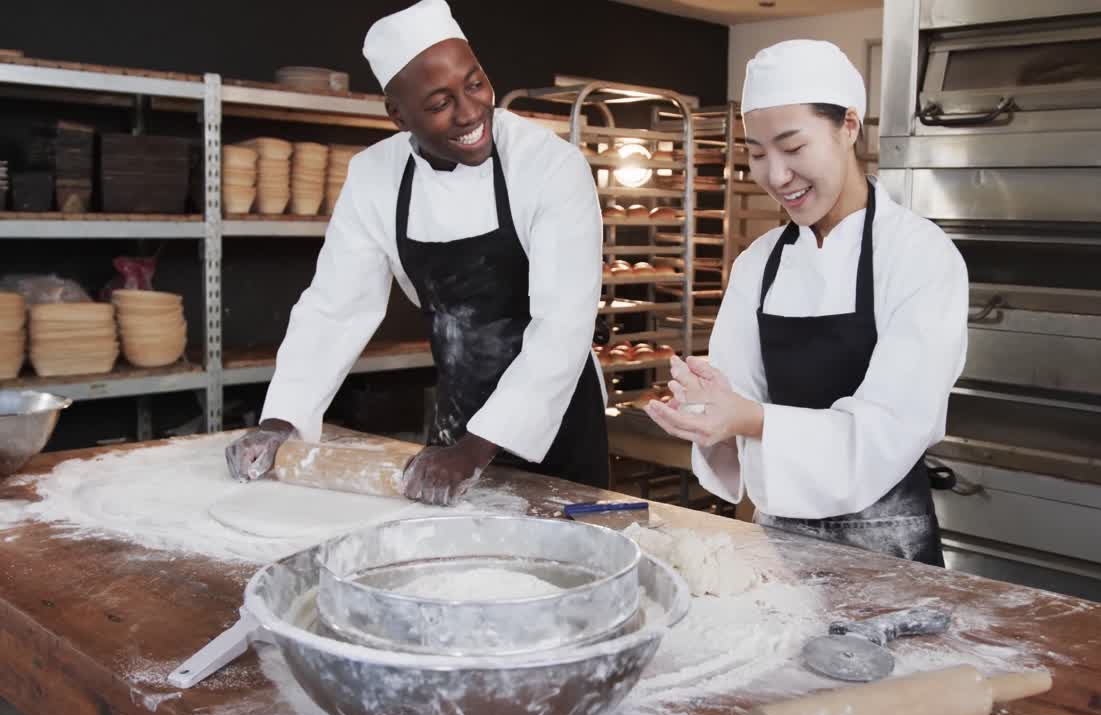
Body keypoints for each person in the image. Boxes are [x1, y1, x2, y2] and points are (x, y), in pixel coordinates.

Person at [224, 0, 608, 504]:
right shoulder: (374, 176)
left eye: (475, 84)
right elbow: (335, 308)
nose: (470, 112)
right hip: (455, 426)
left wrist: (475, 450)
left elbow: (563, 327)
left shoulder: (549, 166)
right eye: (439, 103)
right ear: (397, 114)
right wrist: (281, 421)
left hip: (556, 427)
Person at [645, 40, 969, 566]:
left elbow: (888, 430)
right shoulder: (758, 263)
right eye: (756, 154)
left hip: (891, 550)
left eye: (793, 148)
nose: (776, 176)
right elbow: (737, 410)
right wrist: (708, 411)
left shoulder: (918, 255)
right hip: (777, 542)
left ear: (849, 126)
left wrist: (749, 418)